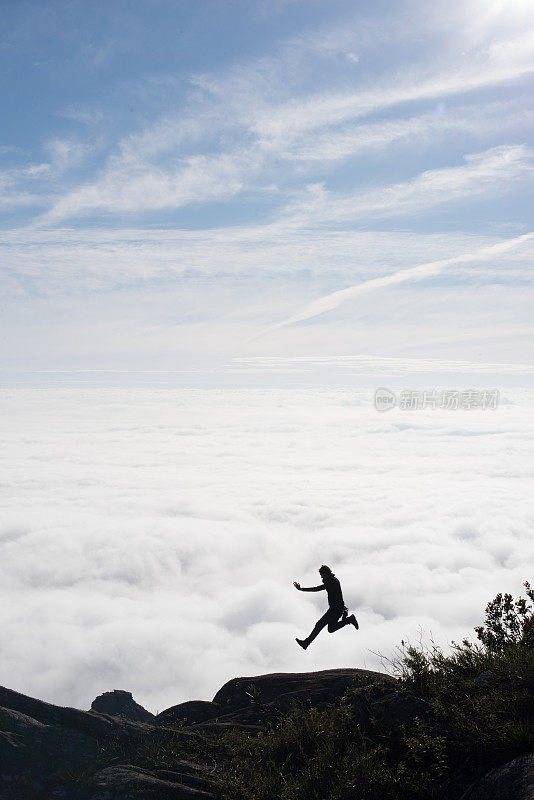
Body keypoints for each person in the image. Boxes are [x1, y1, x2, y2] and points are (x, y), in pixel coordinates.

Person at [293, 564, 358, 649]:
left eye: (322, 575)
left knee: (319, 624)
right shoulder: (332, 581)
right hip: (337, 609)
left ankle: (306, 643)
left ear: (326, 573)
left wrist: (302, 589)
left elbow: (316, 588)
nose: (321, 577)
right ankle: (350, 619)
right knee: (331, 629)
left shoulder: (331, 582)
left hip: (335, 610)